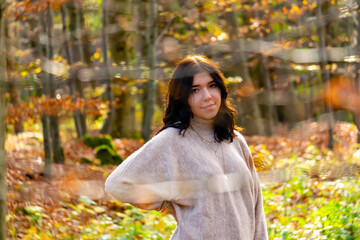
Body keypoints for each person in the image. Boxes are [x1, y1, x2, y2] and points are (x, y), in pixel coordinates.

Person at [105, 55, 268, 239]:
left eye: (212, 86)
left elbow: (256, 206)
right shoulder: (172, 140)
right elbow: (117, 184)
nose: (207, 96)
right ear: (182, 97)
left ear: (221, 89)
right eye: (195, 90)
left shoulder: (235, 140)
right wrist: (167, 203)